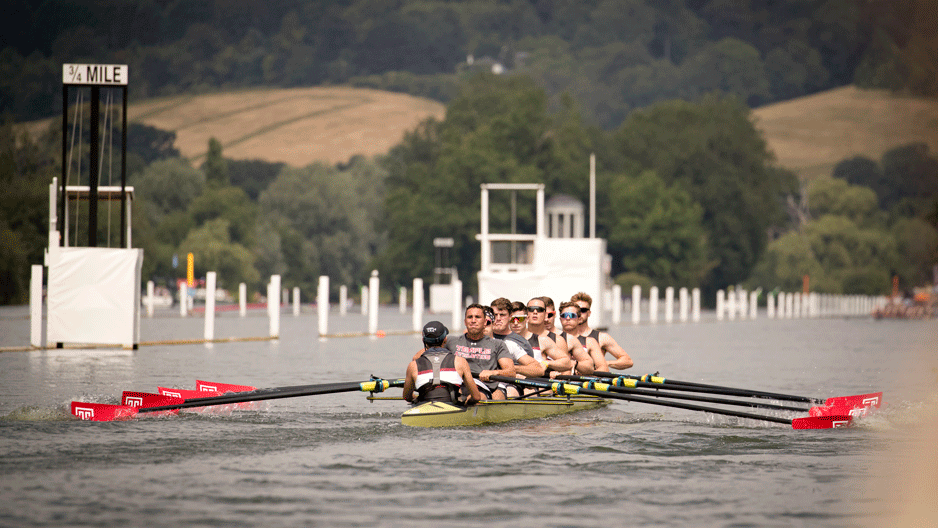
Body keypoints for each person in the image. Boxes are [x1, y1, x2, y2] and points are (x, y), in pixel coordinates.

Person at [445, 304, 516, 400]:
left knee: (483, 398)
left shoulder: (497, 344)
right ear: (465, 322)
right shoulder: (450, 341)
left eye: (477, 317)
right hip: (458, 386)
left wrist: (493, 372)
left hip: (485, 387)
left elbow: (511, 372)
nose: (473, 321)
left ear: (484, 322)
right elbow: (423, 356)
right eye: (470, 317)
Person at [403, 321, 482, 405]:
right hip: (452, 408)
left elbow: (407, 397)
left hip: (424, 408)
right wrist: (467, 403)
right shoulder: (460, 361)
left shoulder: (413, 365)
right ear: (445, 339)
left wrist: (416, 399)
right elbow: (476, 397)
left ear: (423, 340)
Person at [490, 298, 545, 395]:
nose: (498, 318)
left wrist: (511, 369)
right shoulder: (482, 336)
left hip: (511, 384)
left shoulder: (521, 343)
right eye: (495, 315)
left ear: (510, 316)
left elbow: (537, 370)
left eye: (502, 315)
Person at [571, 292, 634, 371]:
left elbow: (628, 361)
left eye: (583, 310)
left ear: (589, 313)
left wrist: (604, 363)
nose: (579, 314)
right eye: (576, 310)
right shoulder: (563, 337)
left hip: (592, 380)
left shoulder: (602, 338)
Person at [521, 297, 576, 375]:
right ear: (526, 313)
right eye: (531, 309)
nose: (535, 312)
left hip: (547, 385)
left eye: (539, 310)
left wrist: (547, 364)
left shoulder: (558, 340)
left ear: (545, 314)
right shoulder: (517, 336)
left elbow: (566, 370)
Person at [556, 301, 601, 374]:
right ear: (560, 319)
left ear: (579, 319)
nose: (567, 318)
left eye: (572, 315)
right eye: (564, 315)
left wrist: (579, 367)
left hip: (582, 381)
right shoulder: (551, 340)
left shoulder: (590, 342)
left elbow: (603, 368)